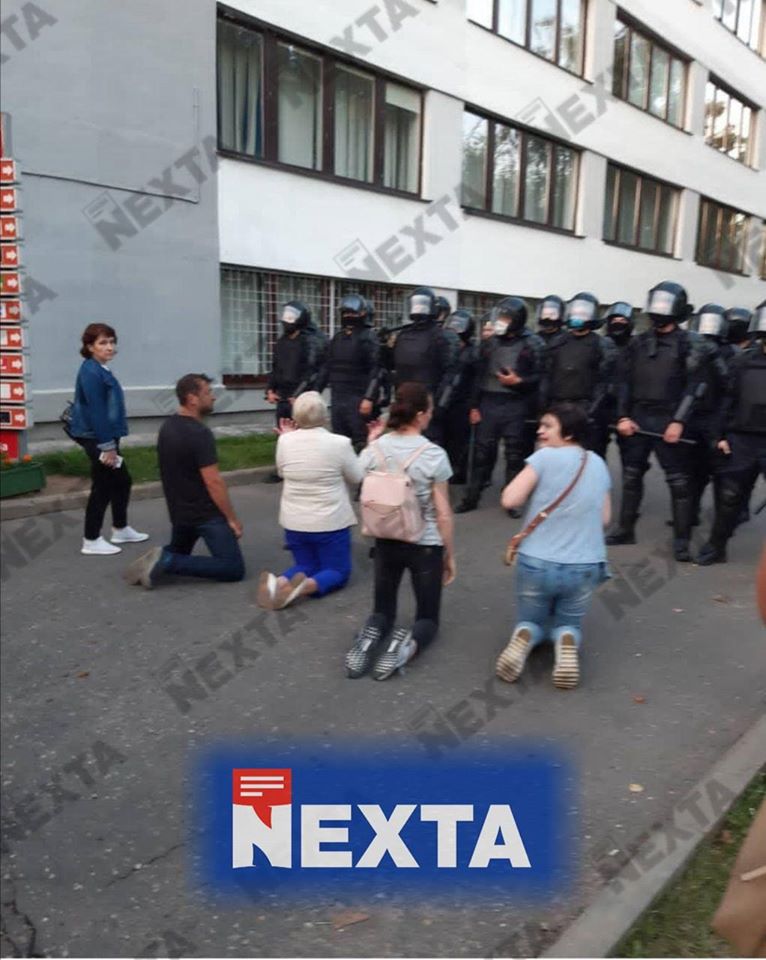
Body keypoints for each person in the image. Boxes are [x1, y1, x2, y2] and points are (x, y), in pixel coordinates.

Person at [496, 403, 611, 690]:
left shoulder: (544, 457)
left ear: (569, 433)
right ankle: (566, 640)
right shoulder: (597, 463)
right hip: (584, 563)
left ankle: (524, 635)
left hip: (537, 560)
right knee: (569, 622)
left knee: (530, 618)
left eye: (548, 426)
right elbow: (605, 518)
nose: (540, 431)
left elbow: (510, 499)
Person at [345, 382, 455, 681]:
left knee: (382, 610)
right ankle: (404, 645)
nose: (431, 415)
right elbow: (443, 513)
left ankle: (368, 639)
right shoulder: (434, 454)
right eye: (430, 410)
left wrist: (371, 442)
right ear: (419, 415)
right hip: (425, 544)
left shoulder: (376, 449)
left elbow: (355, 475)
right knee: (428, 618)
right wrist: (449, 554)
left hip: (385, 538)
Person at [607, 280, 724, 561]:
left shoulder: (690, 343)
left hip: (669, 417)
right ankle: (625, 529)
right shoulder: (637, 343)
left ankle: (681, 541)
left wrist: (679, 421)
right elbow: (623, 383)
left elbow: (695, 386)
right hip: (638, 416)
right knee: (631, 475)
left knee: (679, 482)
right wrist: (622, 415)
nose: (659, 310)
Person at [123, 375, 245, 588]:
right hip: (205, 515)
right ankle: (167, 560)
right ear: (192, 399)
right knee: (232, 568)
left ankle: (161, 558)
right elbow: (213, 482)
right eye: (208, 392)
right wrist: (231, 519)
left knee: (180, 551)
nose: (213, 397)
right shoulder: (199, 433)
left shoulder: (168, 426)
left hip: (180, 515)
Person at [256, 392, 363, 609]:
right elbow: (357, 477)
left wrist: (288, 439)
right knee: (338, 571)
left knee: (306, 564)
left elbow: (282, 472)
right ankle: (300, 589)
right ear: (325, 416)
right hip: (330, 522)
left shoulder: (285, 441)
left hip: (294, 521)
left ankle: (279, 582)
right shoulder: (340, 443)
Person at [455, 297, 545, 515]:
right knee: (481, 454)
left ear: (516, 320)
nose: (500, 321)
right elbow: (478, 375)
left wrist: (519, 382)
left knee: (514, 455)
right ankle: (471, 498)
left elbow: (541, 378)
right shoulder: (489, 342)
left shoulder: (533, 343)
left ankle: (512, 501)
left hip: (516, 403)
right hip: (489, 402)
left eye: (505, 317)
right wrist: (474, 406)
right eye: (500, 316)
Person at [68, 322, 148, 556]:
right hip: (97, 437)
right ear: (90, 346)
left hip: (105, 436)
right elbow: (97, 411)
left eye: (112, 342)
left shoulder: (101, 369)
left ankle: (120, 529)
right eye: (103, 343)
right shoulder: (91, 371)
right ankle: (91, 539)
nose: (109, 347)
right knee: (103, 485)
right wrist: (107, 446)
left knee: (121, 481)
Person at [697, 306, 766, 565]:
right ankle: (717, 547)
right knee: (729, 497)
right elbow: (727, 401)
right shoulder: (743, 361)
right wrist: (719, 435)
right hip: (742, 438)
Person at [540, 292, 616, 458]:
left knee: (584, 456)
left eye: (583, 313)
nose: (578, 316)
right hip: (558, 406)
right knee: (554, 455)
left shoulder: (602, 345)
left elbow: (604, 382)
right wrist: (545, 406)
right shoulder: (557, 342)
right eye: (575, 312)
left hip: (585, 409)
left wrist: (590, 410)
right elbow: (546, 376)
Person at [686, 304, 737, 526]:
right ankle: (690, 514)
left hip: (717, 418)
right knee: (692, 471)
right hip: (693, 416)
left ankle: (721, 521)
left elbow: (731, 386)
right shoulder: (691, 348)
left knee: (720, 473)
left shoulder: (730, 353)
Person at [387, 287, 459, 445]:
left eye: (423, 303)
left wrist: (440, 406)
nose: (419, 307)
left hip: (428, 405)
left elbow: (451, 376)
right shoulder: (403, 335)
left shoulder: (443, 336)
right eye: (416, 303)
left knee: (427, 447)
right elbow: (392, 365)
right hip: (404, 403)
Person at [264, 300, 325, 482]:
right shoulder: (282, 342)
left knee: (303, 433)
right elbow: (276, 368)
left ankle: (305, 467)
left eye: (292, 317)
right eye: (286, 316)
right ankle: (282, 468)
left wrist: (298, 395)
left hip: (301, 396)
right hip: (283, 394)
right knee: (283, 432)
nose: (287, 320)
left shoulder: (309, 342)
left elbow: (311, 371)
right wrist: (270, 389)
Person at [315, 294, 382, 452]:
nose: (349, 316)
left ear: (362, 314)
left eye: (353, 313)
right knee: (340, 440)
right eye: (346, 313)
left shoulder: (369, 338)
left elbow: (376, 370)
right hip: (338, 397)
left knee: (361, 442)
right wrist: (315, 392)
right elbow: (327, 367)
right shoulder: (338, 338)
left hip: (358, 398)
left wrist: (369, 398)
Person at [443, 309, 479, 484]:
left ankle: (459, 472)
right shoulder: (445, 347)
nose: (454, 329)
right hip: (444, 399)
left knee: (460, 440)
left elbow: (477, 380)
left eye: (458, 326)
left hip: (463, 402)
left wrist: (474, 405)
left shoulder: (473, 352)